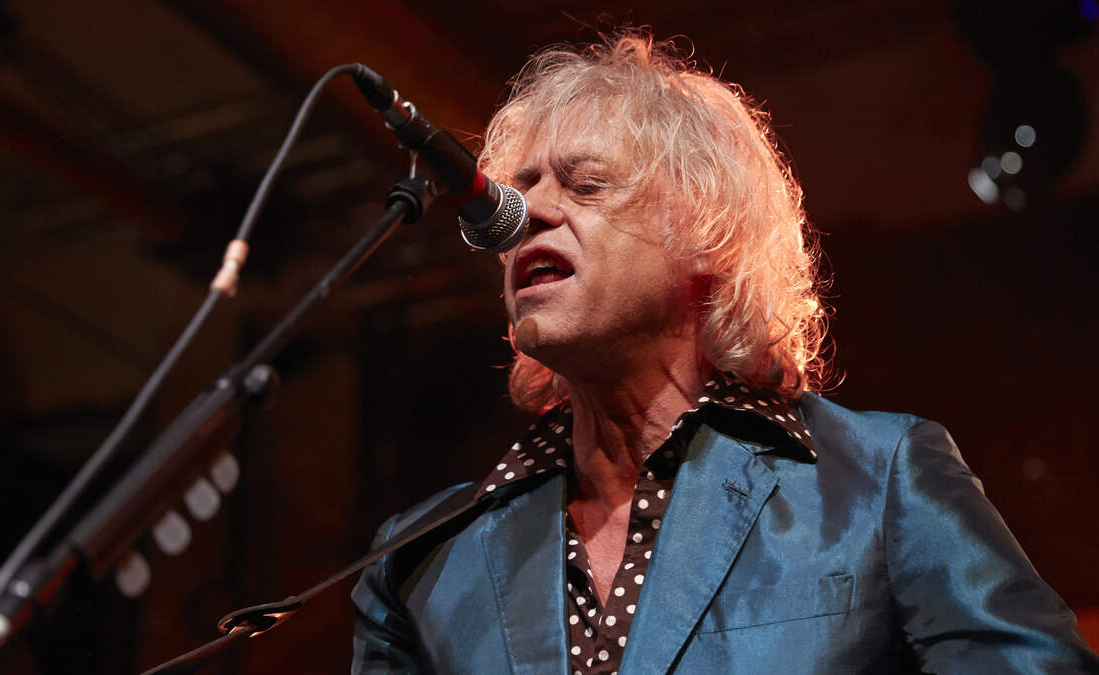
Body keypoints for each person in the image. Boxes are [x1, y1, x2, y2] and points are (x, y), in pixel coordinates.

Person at [351, 32, 1099, 673]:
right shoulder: (420, 559)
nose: (529, 214)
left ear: (708, 236)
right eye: (519, 191)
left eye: (586, 185)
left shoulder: (879, 484)